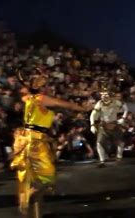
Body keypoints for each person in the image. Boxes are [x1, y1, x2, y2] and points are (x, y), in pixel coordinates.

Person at [10, 68, 89, 217]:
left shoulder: (27, 98)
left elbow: (24, 94)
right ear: (40, 87)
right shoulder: (42, 99)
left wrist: (32, 82)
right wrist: (84, 108)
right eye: (45, 84)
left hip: (26, 138)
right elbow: (68, 105)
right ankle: (26, 199)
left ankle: (37, 214)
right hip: (35, 141)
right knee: (48, 177)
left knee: (35, 179)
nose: (48, 87)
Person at [90, 85, 125, 167]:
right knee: (99, 143)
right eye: (102, 94)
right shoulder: (99, 103)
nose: (104, 96)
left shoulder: (115, 102)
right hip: (104, 125)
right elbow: (93, 114)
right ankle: (102, 161)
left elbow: (126, 108)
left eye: (105, 94)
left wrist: (123, 118)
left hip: (114, 124)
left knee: (120, 142)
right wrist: (92, 124)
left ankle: (119, 157)